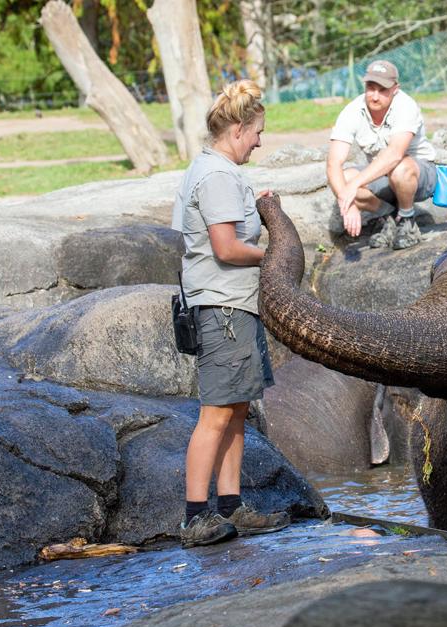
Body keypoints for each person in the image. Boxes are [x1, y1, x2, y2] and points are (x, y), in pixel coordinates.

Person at [170, 79, 290, 548]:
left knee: (237, 412)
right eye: (257, 131)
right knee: (216, 414)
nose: (260, 141)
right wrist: (274, 257)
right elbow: (224, 247)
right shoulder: (217, 175)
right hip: (222, 307)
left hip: (233, 304)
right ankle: (195, 517)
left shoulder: (211, 169)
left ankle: (231, 505)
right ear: (239, 129)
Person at [327, 60, 438, 250]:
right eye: (371, 88)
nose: (375, 96)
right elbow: (333, 164)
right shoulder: (352, 110)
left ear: (395, 88)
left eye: (382, 89)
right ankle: (388, 219)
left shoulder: (406, 105)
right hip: (384, 178)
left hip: (419, 175)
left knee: (399, 168)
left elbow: (395, 154)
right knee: (343, 179)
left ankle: (408, 221)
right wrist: (348, 203)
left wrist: (354, 186)